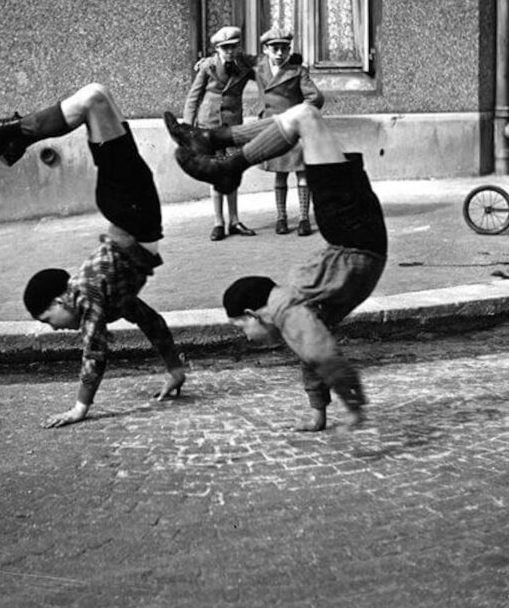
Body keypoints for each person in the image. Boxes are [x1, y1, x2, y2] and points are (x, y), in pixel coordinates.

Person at [0, 83, 186, 428]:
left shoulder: (88, 295)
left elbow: (95, 353)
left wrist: (80, 408)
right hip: (134, 208)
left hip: (131, 209)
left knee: (93, 98)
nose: (55, 329)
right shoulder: (110, 297)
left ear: (62, 299)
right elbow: (153, 322)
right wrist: (175, 370)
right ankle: (10, 141)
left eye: (48, 320)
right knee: (96, 97)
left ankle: (7, 137)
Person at [164, 101, 387, 433]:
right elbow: (312, 353)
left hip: (354, 232)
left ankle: (223, 157)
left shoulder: (286, 311)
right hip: (353, 231)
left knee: (305, 117)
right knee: (305, 117)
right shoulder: (292, 311)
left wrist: (351, 406)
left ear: (255, 313)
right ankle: (215, 143)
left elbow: (320, 354)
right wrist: (322, 411)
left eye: (242, 327)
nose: (246, 336)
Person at [182, 25, 257, 241]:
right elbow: (193, 97)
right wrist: (188, 127)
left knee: (232, 172)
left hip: (232, 127)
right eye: (225, 48)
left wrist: (293, 65)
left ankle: (234, 221)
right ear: (217, 49)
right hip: (209, 125)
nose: (230, 52)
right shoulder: (208, 67)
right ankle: (218, 222)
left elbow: (265, 68)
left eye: (233, 47)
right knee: (215, 173)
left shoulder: (243, 66)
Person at [255, 27, 324, 236]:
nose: (279, 54)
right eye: (274, 49)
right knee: (280, 174)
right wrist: (206, 63)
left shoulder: (297, 71)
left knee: (302, 173)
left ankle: (304, 219)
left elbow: (316, 97)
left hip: (295, 129)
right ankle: (281, 218)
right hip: (273, 128)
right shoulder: (259, 68)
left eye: (284, 49)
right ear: (265, 49)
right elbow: (234, 60)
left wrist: (298, 114)